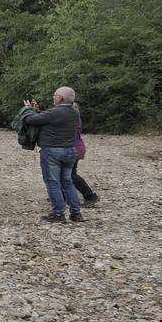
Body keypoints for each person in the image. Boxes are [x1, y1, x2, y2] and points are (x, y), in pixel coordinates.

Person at [21, 87, 83, 223]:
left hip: (53, 151)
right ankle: (76, 213)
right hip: (70, 151)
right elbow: (49, 118)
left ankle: (58, 214)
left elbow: (31, 120)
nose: (53, 98)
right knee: (67, 182)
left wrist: (28, 109)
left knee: (53, 183)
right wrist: (38, 111)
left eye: (55, 95)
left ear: (60, 98)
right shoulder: (74, 112)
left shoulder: (55, 112)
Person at [71, 103, 99, 207]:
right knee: (67, 173)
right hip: (78, 147)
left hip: (74, 148)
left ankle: (90, 195)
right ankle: (61, 195)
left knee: (70, 174)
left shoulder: (72, 120)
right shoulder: (75, 118)